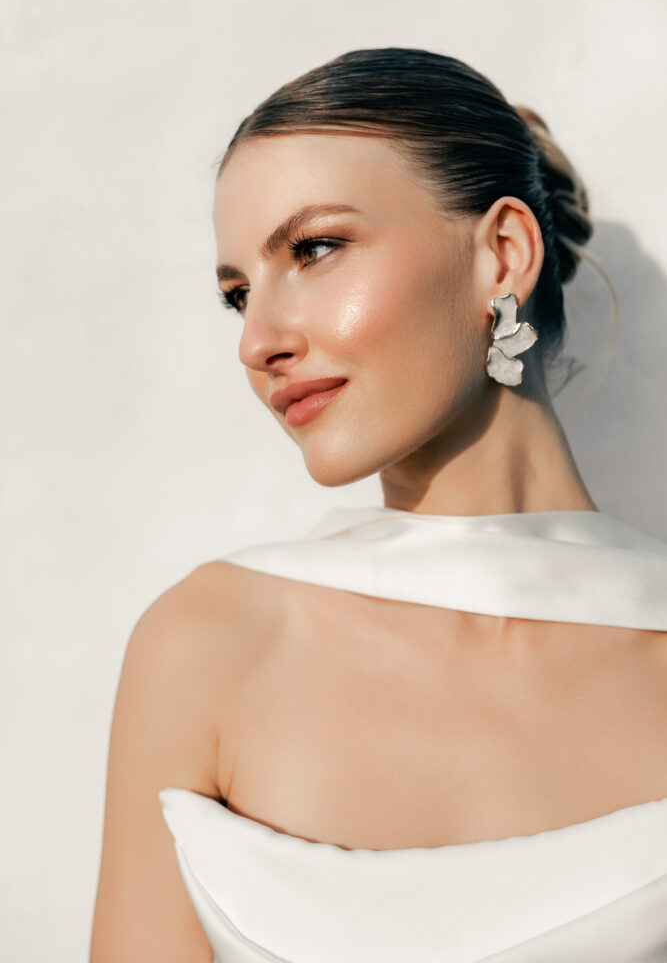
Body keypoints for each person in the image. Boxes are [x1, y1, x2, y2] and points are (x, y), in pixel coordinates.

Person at [89, 48, 667, 963]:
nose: (257, 340)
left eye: (314, 249)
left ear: (503, 254)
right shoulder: (210, 644)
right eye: (237, 294)